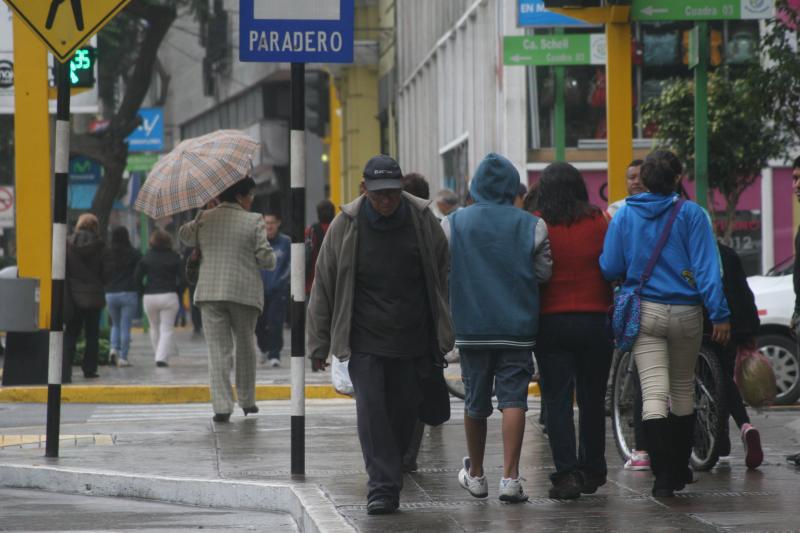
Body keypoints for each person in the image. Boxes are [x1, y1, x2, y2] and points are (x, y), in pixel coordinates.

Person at [307, 154, 454, 515]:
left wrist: (443, 328)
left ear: (401, 188)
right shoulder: (347, 224)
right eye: (378, 194)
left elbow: (442, 270)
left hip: (413, 338)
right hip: (365, 339)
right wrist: (319, 343)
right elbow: (324, 284)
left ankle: (392, 472)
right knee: (372, 411)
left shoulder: (421, 220)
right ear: (365, 190)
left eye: (391, 192)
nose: (385, 200)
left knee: (405, 413)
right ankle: (383, 488)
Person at [600, 150, 731, 498]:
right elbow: (707, 269)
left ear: (644, 179)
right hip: (687, 313)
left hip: (645, 312)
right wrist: (719, 313)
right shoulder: (691, 213)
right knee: (683, 389)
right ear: (676, 178)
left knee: (654, 394)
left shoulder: (625, 214)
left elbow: (609, 265)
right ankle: (678, 467)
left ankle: (662, 476)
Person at [445, 153, 552, 504]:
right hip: (518, 327)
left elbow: (440, 267)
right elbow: (543, 274)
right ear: (511, 187)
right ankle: (510, 478)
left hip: (472, 328)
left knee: (475, 401)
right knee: (514, 400)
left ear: (475, 186)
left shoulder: (453, 223)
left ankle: (476, 475)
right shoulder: (532, 225)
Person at [532, 162, 614, 499]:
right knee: (593, 399)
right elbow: (612, 266)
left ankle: (565, 475)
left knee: (558, 401)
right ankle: (592, 468)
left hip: (550, 322)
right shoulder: (599, 221)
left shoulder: (537, 224)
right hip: (596, 321)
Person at [179, 177, 275, 422]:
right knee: (245, 346)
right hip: (243, 292)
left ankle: (221, 407)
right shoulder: (253, 220)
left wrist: (200, 212)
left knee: (218, 351)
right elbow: (267, 259)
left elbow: (185, 236)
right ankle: (247, 400)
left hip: (210, 292)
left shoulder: (204, 218)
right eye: (250, 195)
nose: (251, 199)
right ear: (241, 196)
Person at [709, 242, 763, 469]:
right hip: (737, 325)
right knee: (723, 377)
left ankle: (725, 437)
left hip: (713, 323)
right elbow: (744, 291)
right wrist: (751, 329)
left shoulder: (694, 251)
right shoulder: (727, 252)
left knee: (713, 378)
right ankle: (742, 429)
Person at [64, 213, 107, 379]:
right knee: (92, 335)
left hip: (73, 296)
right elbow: (107, 272)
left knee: (71, 333)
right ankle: (89, 369)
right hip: (94, 297)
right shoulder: (101, 246)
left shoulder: (67, 245)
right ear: (95, 226)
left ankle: (65, 369)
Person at [135, 229, 183, 368]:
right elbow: (183, 278)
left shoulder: (147, 257)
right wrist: (178, 291)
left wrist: (143, 291)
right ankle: (161, 358)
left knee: (154, 327)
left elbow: (137, 277)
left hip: (149, 296)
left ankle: (158, 354)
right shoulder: (174, 257)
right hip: (169, 295)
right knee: (166, 329)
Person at [102, 226, 141, 367]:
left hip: (110, 293)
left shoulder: (107, 253)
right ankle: (123, 358)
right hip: (128, 293)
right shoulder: (134, 253)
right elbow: (139, 273)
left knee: (115, 324)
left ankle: (113, 349)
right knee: (125, 326)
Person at [256, 212, 290, 367]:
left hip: (278, 291)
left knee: (275, 323)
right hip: (258, 291)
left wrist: (282, 282)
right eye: (266, 223)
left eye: (272, 223)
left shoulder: (285, 242)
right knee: (259, 324)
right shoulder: (258, 241)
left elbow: (291, 265)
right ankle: (264, 349)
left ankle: (274, 354)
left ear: (278, 223)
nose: (269, 226)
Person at [305, 200, 335, 297]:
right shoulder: (339, 229)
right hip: (334, 282)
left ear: (318, 214)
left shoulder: (310, 231)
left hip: (313, 282)